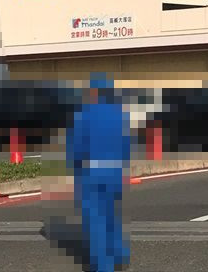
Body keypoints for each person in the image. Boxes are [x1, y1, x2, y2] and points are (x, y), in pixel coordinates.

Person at [67, 73, 131, 272]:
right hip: (114, 172)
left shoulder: (83, 114)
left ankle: (102, 265)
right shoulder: (119, 114)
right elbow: (126, 146)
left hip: (91, 173)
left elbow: (75, 148)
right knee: (111, 215)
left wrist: (74, 169)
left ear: (92, 92)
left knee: (95, 221)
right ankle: (118, 256)